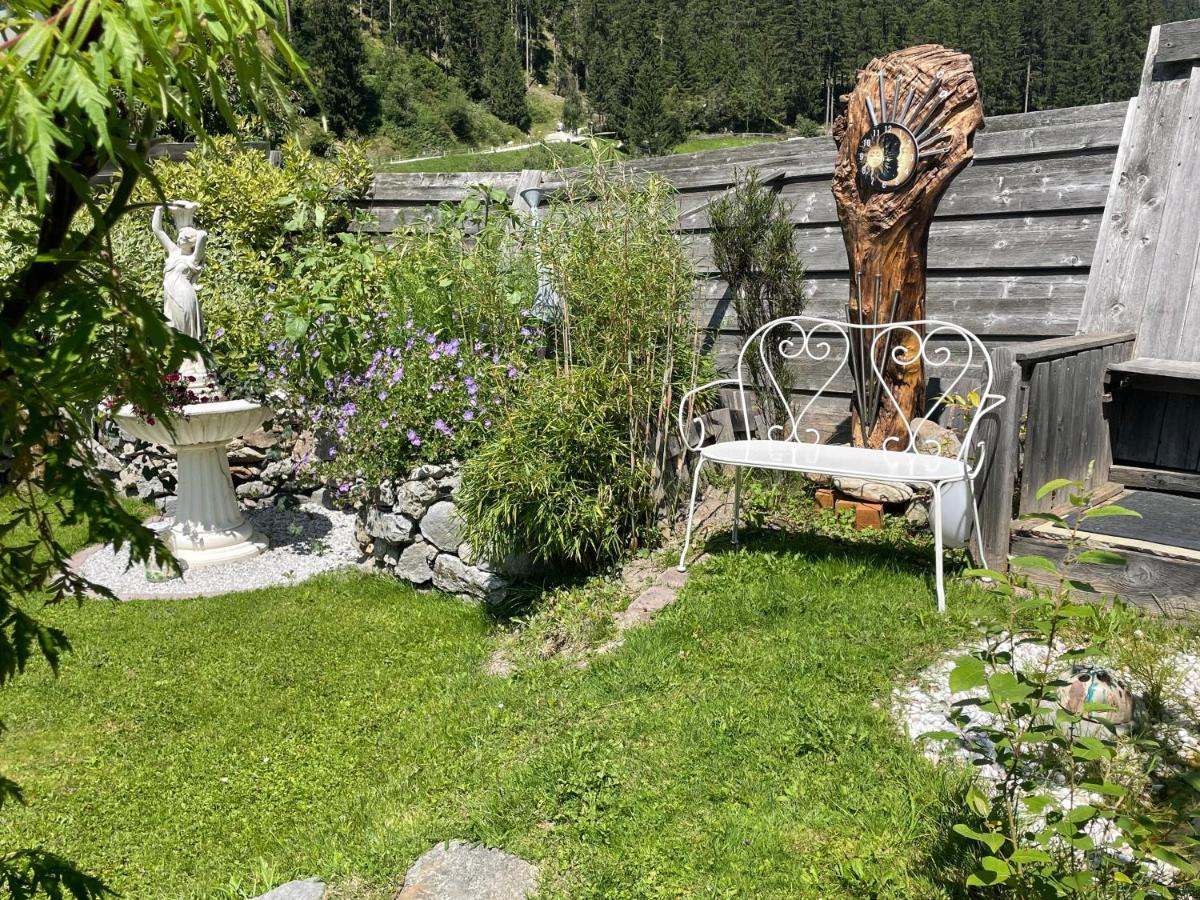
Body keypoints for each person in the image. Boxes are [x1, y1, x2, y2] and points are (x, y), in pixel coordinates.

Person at [152, 203, 208, 376]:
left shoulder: (193, 258)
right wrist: (159, 209)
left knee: (186, 331)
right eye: (180, 236)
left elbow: (203, 236)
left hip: (184, 295)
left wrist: (193, 231)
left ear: (191, 243)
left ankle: (192, 365)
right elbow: (157, 230)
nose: (180, 238)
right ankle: (186, 363)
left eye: (185, 238)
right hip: (170, 295)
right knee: (174, 330)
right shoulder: (173, 251)